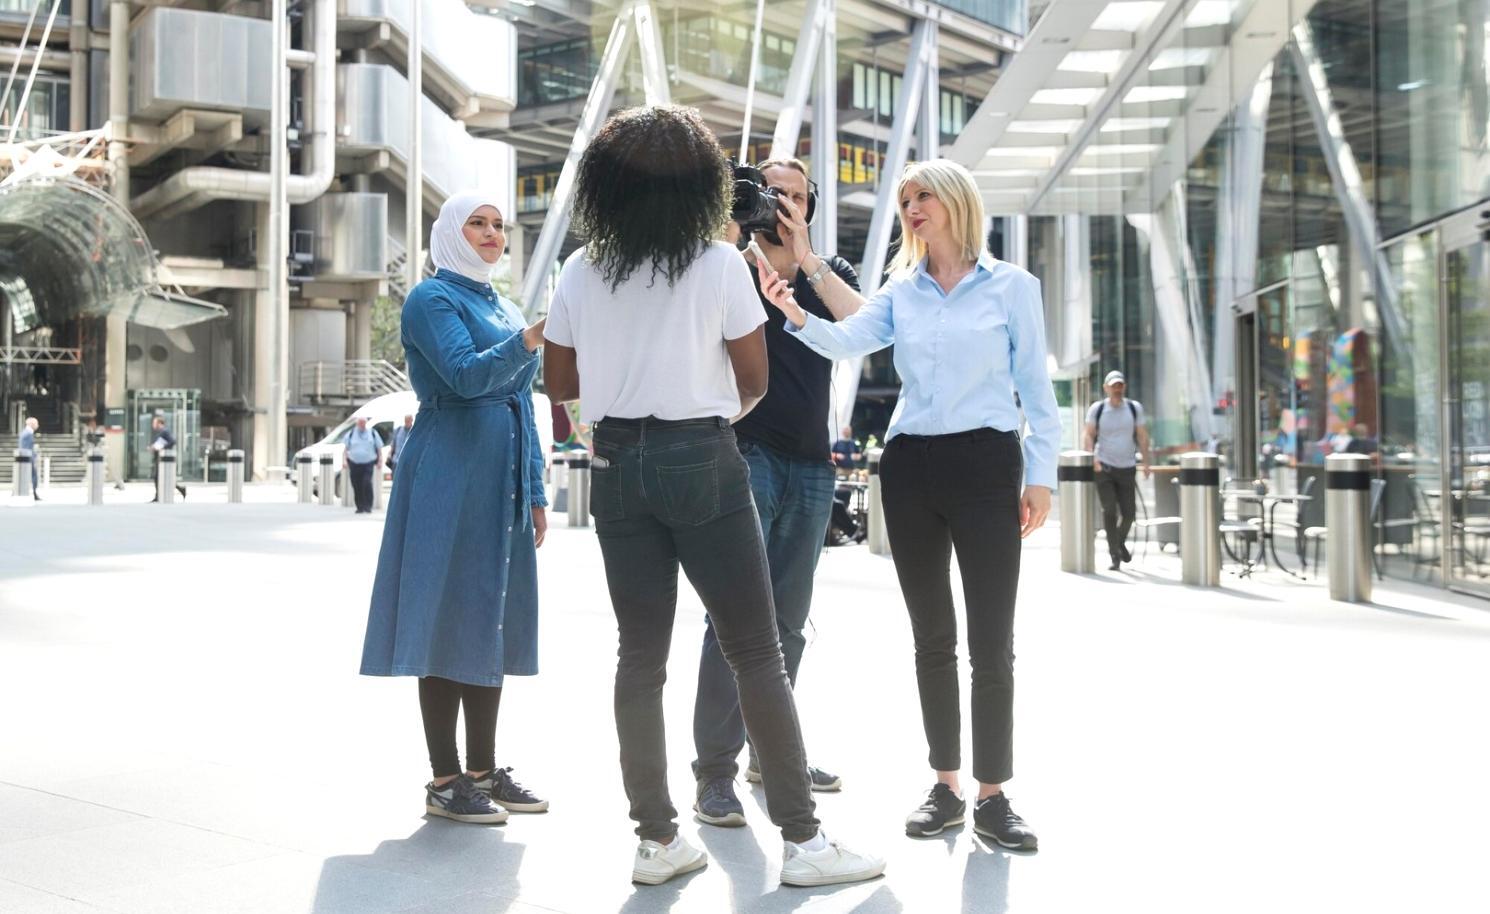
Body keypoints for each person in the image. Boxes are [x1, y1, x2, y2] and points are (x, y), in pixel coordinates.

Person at [542, 104, 883, 888]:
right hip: (702, 453)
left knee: (639, 656)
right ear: (703, 183)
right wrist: (698, 415)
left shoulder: (581, 267)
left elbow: (560, 385)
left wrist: (618, 399)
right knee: (756, 648)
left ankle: (657, 839)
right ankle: (802, 843)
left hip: (617, 464)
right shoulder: (719, 264)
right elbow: (753, 380)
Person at [758, 157, 1060, 851]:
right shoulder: (903, 291)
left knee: (992, 642)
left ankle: (994, 795)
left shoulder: (1014, 288)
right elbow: (849, 338)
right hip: (910, 469)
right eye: (905, 200)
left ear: (955, 201)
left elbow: (1036, 393)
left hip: (988, 464)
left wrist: (1039, 474)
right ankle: (946, 786)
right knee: (932, 639)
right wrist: (792, 309)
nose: (912, 208)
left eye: (923, 195)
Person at [360, 191, 550, 827]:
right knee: (446, 616)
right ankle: (444, 779)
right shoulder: (431, 298)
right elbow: (466, 376)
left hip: (500, 474)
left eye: (498, 225)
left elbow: (521, 403)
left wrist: (536, 491)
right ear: (450, 232)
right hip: (448, 468)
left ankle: (482, 770)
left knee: (489, 611)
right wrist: (530, 338)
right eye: (478, 223)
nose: (492, 233)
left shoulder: (502, 302)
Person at [689, 156, 863, 829]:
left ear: (811, 205)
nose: (785, 205)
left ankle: (771, 752)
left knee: (789, 621)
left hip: (813, 465)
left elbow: (860, 330)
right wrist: (738, 233)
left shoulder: (829, 274)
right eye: (773, 194)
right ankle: (715, 773)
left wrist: (807, 258)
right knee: (733, 618)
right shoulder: (726, 263)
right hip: (743, 452)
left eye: (797, 196)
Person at [1083, 370, 1151, 571]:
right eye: (1113, 386)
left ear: (1124, 387)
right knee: (1109, 510)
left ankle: (1119, 542)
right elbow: (1088, 435)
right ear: (1106, 388)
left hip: (1127, 466)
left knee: (1129, 513)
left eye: (1120, 385)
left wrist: (1146, 462)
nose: (1117, 389)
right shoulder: (1098, 409)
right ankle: (1115, 555)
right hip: (1103, 466)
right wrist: (1092, 458)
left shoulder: (1133, 408)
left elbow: (1142, 436)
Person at [343, 416, 384, 514]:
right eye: (360, 422)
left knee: (366, 483)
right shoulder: (351, 433)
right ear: (357, 423)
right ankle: (360, 506)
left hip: (368, 462)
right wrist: (344, 461)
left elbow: (379, 449)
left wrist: (380, 461)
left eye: (364, 422)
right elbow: (345, 449)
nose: (362, 424)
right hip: (354, 463)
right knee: (356, 485)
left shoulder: (373, 433)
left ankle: (368, 506)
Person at [147, 416, 187, 502]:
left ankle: (158, 496)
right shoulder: (160, 432)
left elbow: (172, 441)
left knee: (158, 477)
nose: (153, 424)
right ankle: (180, 489)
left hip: (164, 459)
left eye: (154, 422)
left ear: (159, 423)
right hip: (160, 458)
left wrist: (162, 448)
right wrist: (154, 447)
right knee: (161, 477)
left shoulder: (165, 431)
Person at [18, 417, 39, 500]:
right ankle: (34, 492)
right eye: (36, 423)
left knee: (31, 476)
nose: (38, 425)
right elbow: (26, 448)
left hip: (27, 458)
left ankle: (34, 492)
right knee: (33, 476)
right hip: (27, 459)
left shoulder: (26, 433)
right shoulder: (27, 433)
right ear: (32, 424)